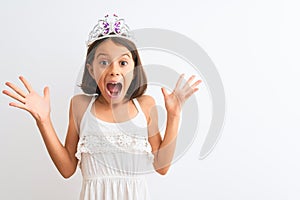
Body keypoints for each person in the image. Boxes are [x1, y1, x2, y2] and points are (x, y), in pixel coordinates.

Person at [2, 14, 201, 200]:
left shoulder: (145, 105)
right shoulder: (80, 106)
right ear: (91, 68)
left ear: (134, 68)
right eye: (104, 62)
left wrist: (174, 115)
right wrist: (44, 121)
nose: (114, 70)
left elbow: (162, 166)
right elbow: (67, 169)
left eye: (123, 62)